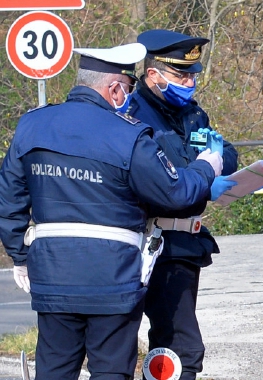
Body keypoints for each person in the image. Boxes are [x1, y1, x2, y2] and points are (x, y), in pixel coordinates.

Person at [0, 42, 225, 380]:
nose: (129, 96)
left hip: (52, 276)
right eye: (129, 88)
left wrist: (20, 255)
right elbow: (175, 192)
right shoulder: (129, 136)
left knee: (54, 369)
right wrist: (207, 167)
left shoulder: (31, 126)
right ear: (115, 88)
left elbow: (10, 197)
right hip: (113, 280)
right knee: (110, 371)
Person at [126, 29, 239, 380]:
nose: (189, 82)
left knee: (170, 346)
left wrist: (219, 159)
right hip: (148, 240)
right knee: (181, 349)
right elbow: (161, 177)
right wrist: (204, 171)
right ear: (153, 74)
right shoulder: (134, 112)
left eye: (192, 75)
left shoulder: (192, 114)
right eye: (180, 75)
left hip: (183, 245)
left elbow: (227, 153)